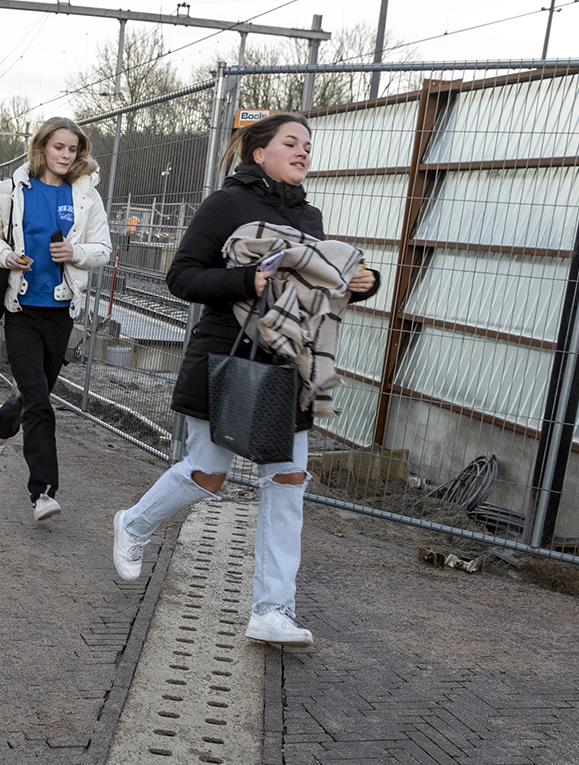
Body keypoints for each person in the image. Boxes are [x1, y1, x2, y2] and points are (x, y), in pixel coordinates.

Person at [109, 113, 380, 646]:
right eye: (291, 143)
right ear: (260, 152)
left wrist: (360, 284)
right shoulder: (226, 205)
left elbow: (313, 289)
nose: (303, 151)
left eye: (308, 145)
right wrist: (244, 279)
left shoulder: (311, 216)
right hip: (227, 355)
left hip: (288, 361)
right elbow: (181, 276)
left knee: (287, 484)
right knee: (208, 472)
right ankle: (135, 524)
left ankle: (272, 610)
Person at [0, 117, 112, 521]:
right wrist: (5, 255)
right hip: (21, 310)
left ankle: (4, 420)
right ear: (42, 148)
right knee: (40, 403)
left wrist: (76, 254)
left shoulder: (85, 195)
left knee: (35, 395)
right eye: (59, 148)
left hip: (61, 311)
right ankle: (43, 492)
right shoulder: (13, 189)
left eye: (73, 149)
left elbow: (102, 248)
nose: (67, 156)